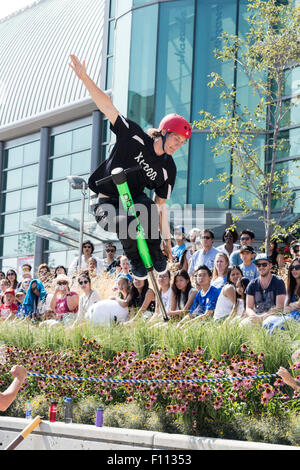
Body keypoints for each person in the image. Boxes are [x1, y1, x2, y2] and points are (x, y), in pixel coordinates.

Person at [69, 55, 191, 281]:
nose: (177, 145)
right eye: (175, 138)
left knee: (147, 207)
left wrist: (165, 240)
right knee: (127, 217)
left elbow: (161, 205)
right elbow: (107, 106)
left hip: (136, 203)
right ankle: (134, 259)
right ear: (164, 132)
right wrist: (85, 78)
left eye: (182, 143)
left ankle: (155, 255)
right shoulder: (133, 135)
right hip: (106, 205)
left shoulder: (168, 169)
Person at [242, 253, 286, 325]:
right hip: (257, 316)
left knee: (267, 322)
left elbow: (279, 308)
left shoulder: (278, 282)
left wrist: (263, 317)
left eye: (264, 264)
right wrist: (253, 316)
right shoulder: (252, 284)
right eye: (258, 265)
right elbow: (248, 307)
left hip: (274, 317)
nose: (261, 267)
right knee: (243, 324)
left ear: (270, 265)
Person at [263, 257, 300, 333]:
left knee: (277, 327)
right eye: (292, 267)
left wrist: (293, 306)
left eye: (297, 267)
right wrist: (294, 306)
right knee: (267, 323)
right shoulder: (290, 287)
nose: (294, 270)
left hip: (297, 316)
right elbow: (285, 308)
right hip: (289, 315)